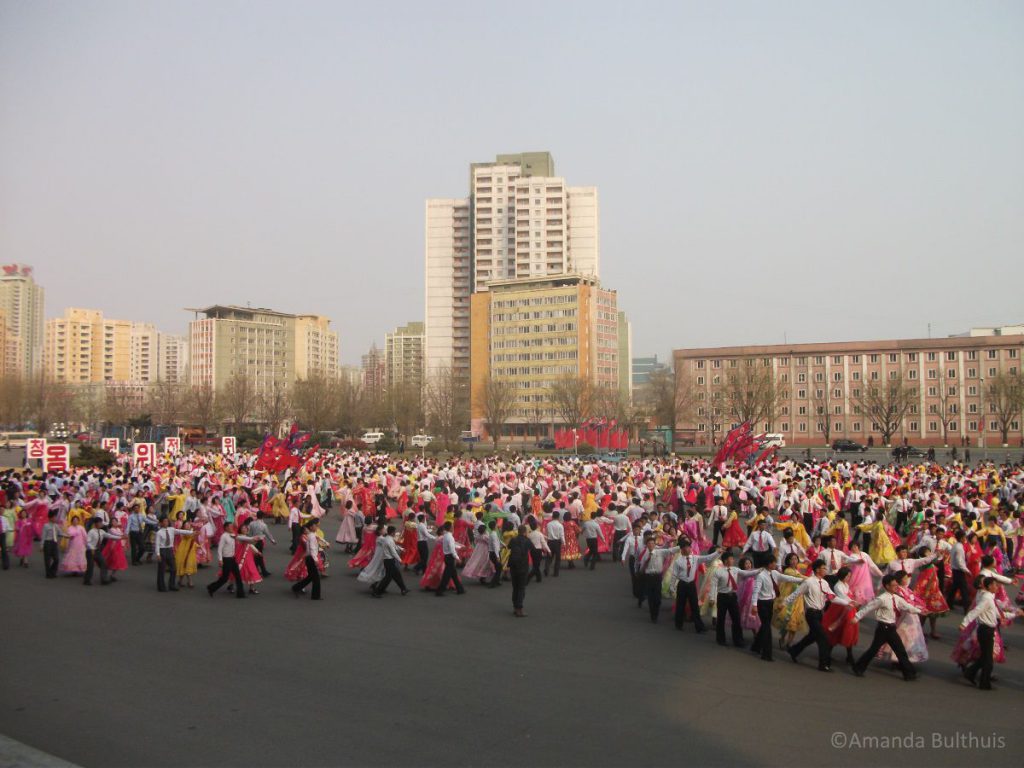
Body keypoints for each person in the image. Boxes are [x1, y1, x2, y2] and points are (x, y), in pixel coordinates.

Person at [851, 573, 924, 681]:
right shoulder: (881, 599)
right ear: (887, 586)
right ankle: (858, 667)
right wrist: (856, 617)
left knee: (900, 651)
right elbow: (868, 608)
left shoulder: (896, 598)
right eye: (894, 585)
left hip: (891, 628)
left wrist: (920, 611)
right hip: (883, 628)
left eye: (896, 585)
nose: (896, 587)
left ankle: (909, 674)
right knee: (873, 650)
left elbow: (906, 606)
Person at [785, 559, 843, 672]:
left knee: (812, 637)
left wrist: (848, 602)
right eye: (824, 568)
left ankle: (794, 650)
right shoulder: (809, 582)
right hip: (811, 614)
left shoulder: (825, 583)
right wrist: (784, 603)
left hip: (820, 614)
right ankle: (824, 664)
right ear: (817, 570)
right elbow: (796, 594)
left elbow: (832, 597)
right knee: (823, 638)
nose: (826, 570)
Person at [749, 562, 805, 661]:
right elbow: (756, 591)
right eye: (773, 563)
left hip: (771, 602)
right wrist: (754, 605)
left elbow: (788, 578)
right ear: (768, 564)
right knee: (767, 628)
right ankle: (766, 654)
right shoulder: (761, 576)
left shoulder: (774, 573)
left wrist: (803, 580)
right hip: (762, 603)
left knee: (764, 627)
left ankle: (756, 646)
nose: (775, 564)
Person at [671, 540, 721, 632]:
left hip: (691, 584)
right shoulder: (678, 561)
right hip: (682, 584)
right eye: (685, 547)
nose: (688, 549)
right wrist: (672, 587)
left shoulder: (695, 558)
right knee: (680, 605)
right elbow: (674, 575)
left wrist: (717, 553)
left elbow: (708, 558)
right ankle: (679, 624)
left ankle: (699, 626)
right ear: (681, 550)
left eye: (689, 547)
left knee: (694, 605)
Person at [713, 550, 757, 647]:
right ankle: (721, 639)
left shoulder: (735, 569)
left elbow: (746, 573)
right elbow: (713, 586)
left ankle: (738, 640)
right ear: (725, 560)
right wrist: (712, 598)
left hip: (733, 596)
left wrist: (759, 570)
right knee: (721, 619)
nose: (733, 560)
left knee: (736, 619)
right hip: (722, 596)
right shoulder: (718, 572)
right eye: (731, 559)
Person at [207, 521, 259, 599]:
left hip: (232, 559)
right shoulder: (224, 536)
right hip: (226, 559)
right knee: (224, 578)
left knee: (238, 576)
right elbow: (219, 549)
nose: (232, 528)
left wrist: (252, 538)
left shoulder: (232, 534)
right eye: (230, 526)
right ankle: (211, 588)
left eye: (232, 526)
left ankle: (240, 594)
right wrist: (220, 560)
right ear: (226, 528)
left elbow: (240, 537)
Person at [154, 517, 193, 592]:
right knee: (162, 569)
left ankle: (171, 584)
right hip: (162, 550)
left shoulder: (171, 529)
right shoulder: (159, 532)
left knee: (173, 568)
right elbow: (157, 544)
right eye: (164, 521)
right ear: (161, 523)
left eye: (167, 521)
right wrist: (158, 554)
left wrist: (191, 532)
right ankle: (161, 586)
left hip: (169, 550)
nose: (166, 523)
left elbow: (181, 531)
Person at [84, 518, 123, 586]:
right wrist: (91, 548)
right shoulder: (91, 532)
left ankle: (104, 579)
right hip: (90, 551)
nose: (102, 524)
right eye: (100, 523)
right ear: (96, 524)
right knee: (90, 566)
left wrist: (120, 537)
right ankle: (87, 580)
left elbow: (110, 536)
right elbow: (87, 542)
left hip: (97, 551)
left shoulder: (102, 531)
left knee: (103, 563)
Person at [292, 519, 325, 600]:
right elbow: (312, 549)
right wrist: (316, 559)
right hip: (311, 558)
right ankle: (315, 596)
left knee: (310, 576)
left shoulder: (311, 535)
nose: (317, 527)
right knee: (316, 579)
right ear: (311, 527)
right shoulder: (312, 536)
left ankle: (296, 587)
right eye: (315, 525)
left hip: (308, 558)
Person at [434, 521, 465, 596]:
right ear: (450, 528)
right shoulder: (449, 536)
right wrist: (457, 558)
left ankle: (460, 589)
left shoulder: (446, 535)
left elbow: (452, 545)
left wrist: (460, 547)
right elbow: (452, 549)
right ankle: (439, 591)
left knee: (453, 574)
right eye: (452, 526)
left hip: (448, 557)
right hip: (450, 557)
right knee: (446, 576)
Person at [508, 524, 532, 617]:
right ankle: (519, 608)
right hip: (523, 565)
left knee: (515, 587)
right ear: (525, 532)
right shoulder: (527, 541)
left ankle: (515, 607)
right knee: (521, 588)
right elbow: (532, 548)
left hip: (513, 566)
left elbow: (509, 547)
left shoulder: (513, 539)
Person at [40, 509, 69, 578]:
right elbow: (43, 536)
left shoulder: (56, 526)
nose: (55, 518)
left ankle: (52, 571)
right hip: (48, 542)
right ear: (50, 518)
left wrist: (67, 536)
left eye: (55, 517)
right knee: (47, 560)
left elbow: (60, 533)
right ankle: (48, 573)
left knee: (56, 559)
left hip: (54, 543)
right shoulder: (46, 526)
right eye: (53, 517)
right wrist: (42, 545)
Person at [247, 511, 276, 577]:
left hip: (252, 540)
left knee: (257, 557)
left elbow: (249, 532)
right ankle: (261, 571)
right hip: (259, 541)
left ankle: (262, 571)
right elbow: (267, 533)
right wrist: (272, 540)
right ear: (262, 516)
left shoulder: (251, 523)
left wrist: (249, 539)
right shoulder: (263, 525)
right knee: (259, 557)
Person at [543, 510, 564, 577]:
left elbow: (546, 533)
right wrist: (564, 543)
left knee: (549, 557)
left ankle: (547, 568)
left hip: (550, 542)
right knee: (557, 558)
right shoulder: (560, 525)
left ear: (552, 516)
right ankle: (556, 573)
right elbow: (562, 535)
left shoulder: (548, 524)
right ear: (558, 517)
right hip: (557, 542)